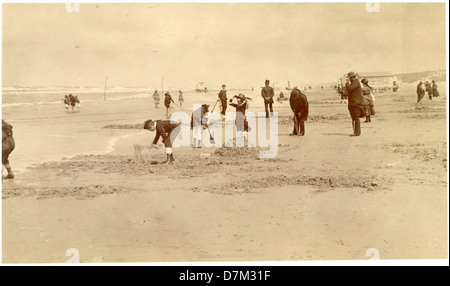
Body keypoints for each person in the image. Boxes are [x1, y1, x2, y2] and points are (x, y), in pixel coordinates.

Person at [345, 71, 366, 136]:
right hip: (353, 103)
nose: (349, 79)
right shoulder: (354, 82)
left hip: (356, 103)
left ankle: (357, 132)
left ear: (351, 77)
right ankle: (355, 132)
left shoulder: (355, 82)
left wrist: (347, 84)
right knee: (354, 117)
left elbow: (350, 89)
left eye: (349, 78)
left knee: (356, 117)